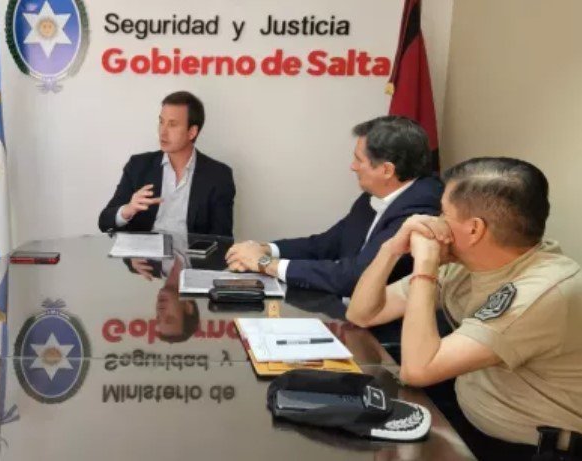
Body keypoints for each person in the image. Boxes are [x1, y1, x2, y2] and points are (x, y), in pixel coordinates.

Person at [346, 157, 582, 459]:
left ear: (474, 230)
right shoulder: (466, 265)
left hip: (529, 451)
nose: (434, 220)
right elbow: (362, 313)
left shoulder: (541, 291)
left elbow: (417, 370)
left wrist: (425, 265)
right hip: (468, 422)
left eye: (443, 212)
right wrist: (391, 248)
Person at [225, 115, 442, 297]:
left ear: (386, 170)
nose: (353, 167)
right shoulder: (374, 196)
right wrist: (265, 249)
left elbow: (354, 277)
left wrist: (264, 263)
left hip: (384, 328)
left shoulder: (419, 209)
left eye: (359, 160)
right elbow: (326, 244)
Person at [98, 91, 236, 237]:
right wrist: (128, 210)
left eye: (172, 124)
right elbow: (104, 222)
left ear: (192, 132)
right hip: (144, 251)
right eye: (161, 122)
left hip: (189, 252)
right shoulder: (138, 166)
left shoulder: (219, 176)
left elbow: (222, 239)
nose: (162, 132)